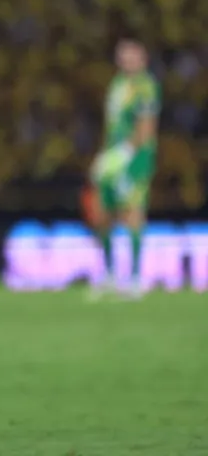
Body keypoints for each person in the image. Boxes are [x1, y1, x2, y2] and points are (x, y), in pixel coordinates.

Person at [84, 38, 160, 300]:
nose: (127, 61)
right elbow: (111, 125)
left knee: (132, 212)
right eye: (123, 56)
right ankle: (109, 275)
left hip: (136, 159)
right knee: (102, 212)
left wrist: (125, 153)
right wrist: (105, 155)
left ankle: (137, 278)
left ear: (143, 59)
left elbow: (147, 126)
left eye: (132, 56)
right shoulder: (117, 85)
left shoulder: (145, 87)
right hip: (113, 156)